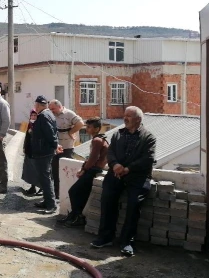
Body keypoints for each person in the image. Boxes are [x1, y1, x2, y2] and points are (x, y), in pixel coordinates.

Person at [90, 106, 156, 257]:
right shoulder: (118, 135)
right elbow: (111, 153)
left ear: (138, 119)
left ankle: (127, 242)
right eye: (124, 115)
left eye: (129, 116)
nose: (125, 118)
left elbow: (148, 159)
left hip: (137, 176)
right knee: (107, 199)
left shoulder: (148, 137)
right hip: (116, 173)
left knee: (134, 204)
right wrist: (116, 166)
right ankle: (105, 237)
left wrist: (128, 169)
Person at [60, 117, 109, 227]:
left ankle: (78, 216)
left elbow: (93, 159)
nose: (87, 129)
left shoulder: (97, 140)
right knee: (81, 194)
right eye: (86, 126)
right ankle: (75, 216)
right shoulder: (100, 139)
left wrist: (84, 170)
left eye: (89, 127)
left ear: (97, 129)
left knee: (73, 191)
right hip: (93, 169)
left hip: (93, 170)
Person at [48, 100, 84, 198]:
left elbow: (80, 123)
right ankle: (57, 193)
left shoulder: (68, 114)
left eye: (53, 109)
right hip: (56, 146)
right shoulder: (51, 115)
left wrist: (71, 132)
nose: (52, 111)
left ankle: (68, 193)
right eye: (50, 109)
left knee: (67, 170)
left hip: (67, 146)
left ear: (59, 107)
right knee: (55, 171)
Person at [30, 96, 59, 214]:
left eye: (36, 105)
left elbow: (50, 134)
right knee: (45, 177)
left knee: (45, 178)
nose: (35, 107)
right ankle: (47, 201)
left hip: (43, 152)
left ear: (41, 105)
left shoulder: (44, 116)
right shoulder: (48, 115)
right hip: (44, 151)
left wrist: (54, 146)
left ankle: (51, 205)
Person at [21, 110, 42, 196]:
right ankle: (32, 187)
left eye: (35, 115)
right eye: (32, 115)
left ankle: (42, 188)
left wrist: (32, 132)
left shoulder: (39, 125)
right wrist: (25, 147)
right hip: (29, 150)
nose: (33, 117)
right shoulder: (30, 124)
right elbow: (27, 137)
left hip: (37, 152)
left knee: (38, 170)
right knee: (30, 170)